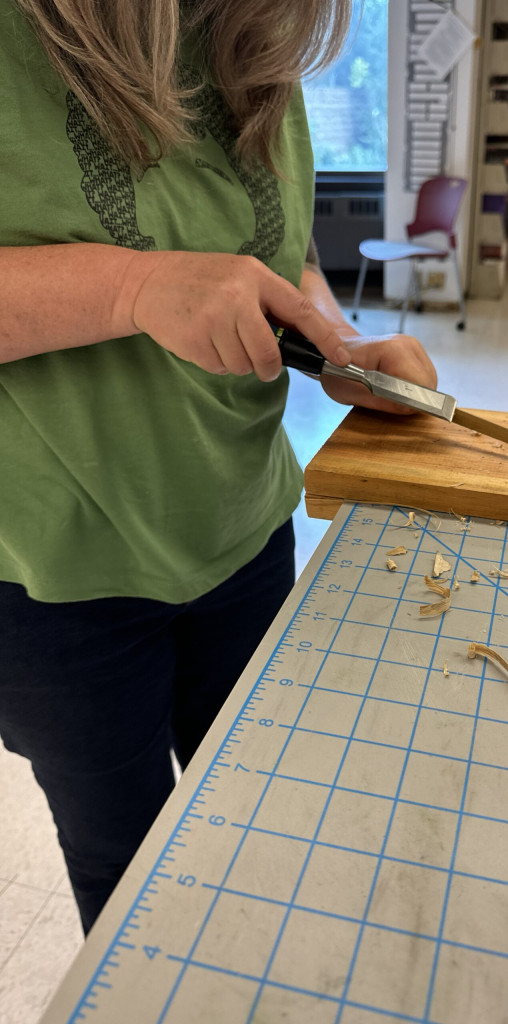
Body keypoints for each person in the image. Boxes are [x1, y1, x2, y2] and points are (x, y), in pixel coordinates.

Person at [0, 0, 438, 934]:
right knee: (126, 867)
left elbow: (275, 250)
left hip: (245, 528)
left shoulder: (252, 34)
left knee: (259, 821)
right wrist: (132, 286)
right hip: (54, 576)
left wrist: (336, 341)